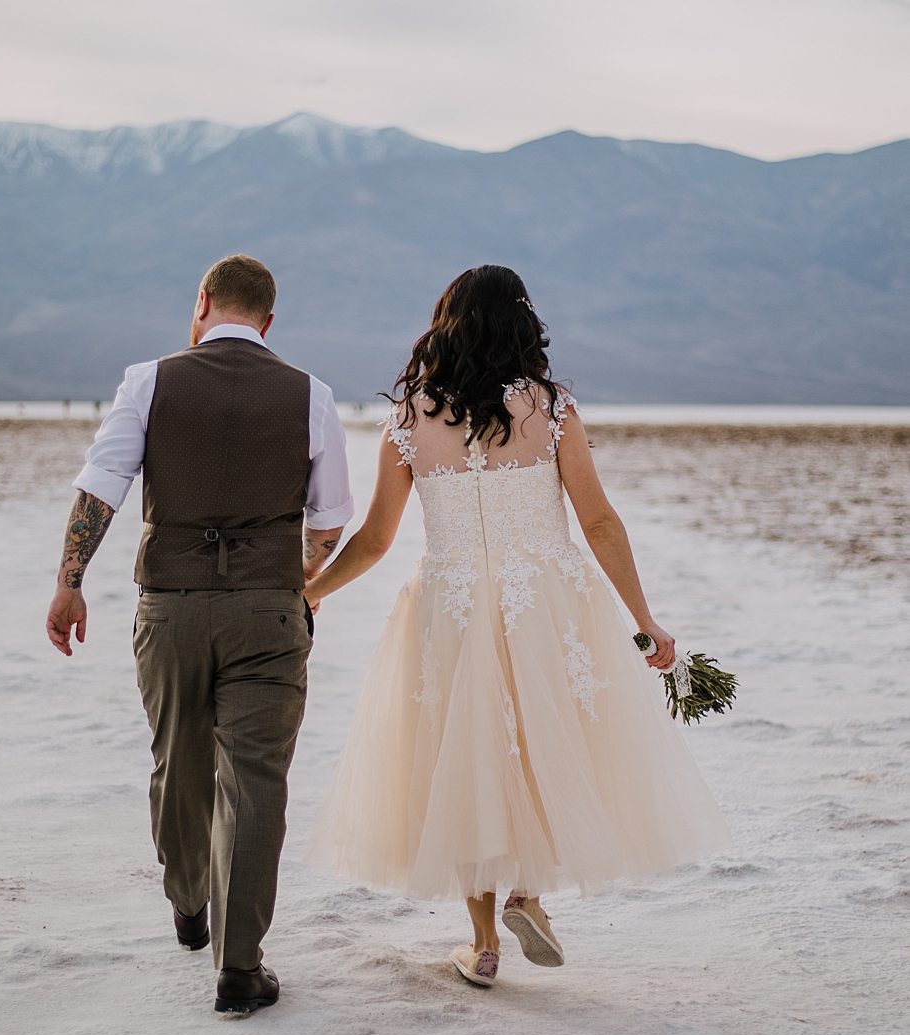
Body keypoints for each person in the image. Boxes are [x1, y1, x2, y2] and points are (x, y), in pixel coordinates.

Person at [302, 265, 730, 986]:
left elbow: (375, 539)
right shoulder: (550, 406)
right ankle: (528, 895)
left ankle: (483, 943)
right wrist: (644, 620)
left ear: (446, 324)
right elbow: (595, 520)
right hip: (545, 595)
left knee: (462, 755)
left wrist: (311, 593)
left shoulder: (409, 417)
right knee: (541, 743)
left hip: (451, 600)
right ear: (522, 324)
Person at [46, 255, 353, 1015]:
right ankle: (240, 969)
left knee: (176, 757)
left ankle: (188, 900)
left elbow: (102, 484)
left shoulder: (148, 379)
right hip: (269, 612)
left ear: (202, 304)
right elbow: (330, 520)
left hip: (172, 606)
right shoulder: (309, 394)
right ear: (269, 322)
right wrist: (299, 583)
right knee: (256, 783)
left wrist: (70, 581)